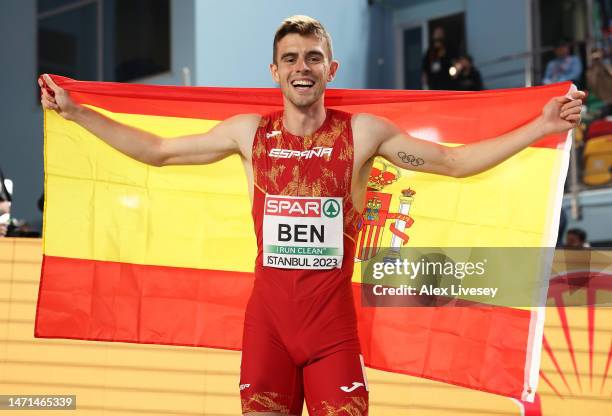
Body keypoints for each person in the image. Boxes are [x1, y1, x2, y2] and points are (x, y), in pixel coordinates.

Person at [39, 15, 584, 416]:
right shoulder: (249, 134)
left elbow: (457, 162)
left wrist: (541, 128)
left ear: (331, 68)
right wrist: (78, 112)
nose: (303, 68)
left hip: (332, 335)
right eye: (292, 59)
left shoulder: (364, 133)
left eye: (314, 57)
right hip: (268, 329)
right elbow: (157, 150)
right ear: (274, 71)